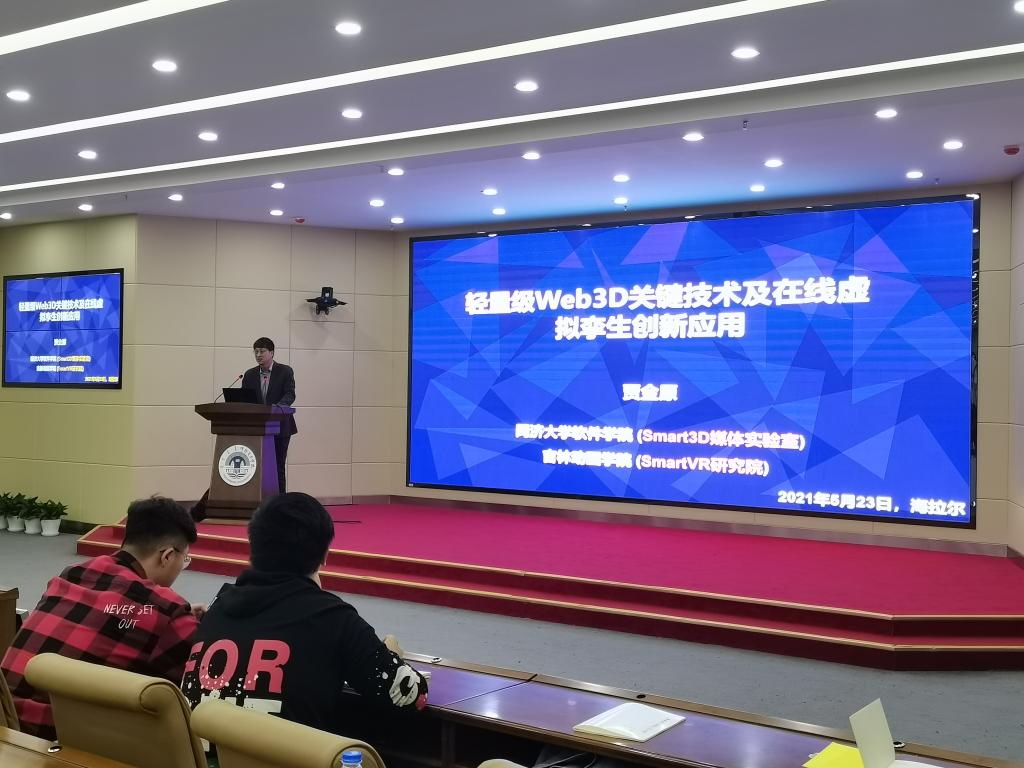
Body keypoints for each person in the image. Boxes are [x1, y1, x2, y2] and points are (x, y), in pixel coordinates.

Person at [180, 492, 427, 734]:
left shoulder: (217, 608)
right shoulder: (333, 617)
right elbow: (411, 696)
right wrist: (390, 653)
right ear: (324, 555)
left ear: (253, 548)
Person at [2, 496, 203, 740]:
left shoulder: (72, 574)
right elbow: (198, 683)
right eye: (185, 560)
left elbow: (109, 612)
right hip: (52, 744)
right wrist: (182, 619)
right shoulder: (167, 610)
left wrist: (176, 617)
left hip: (5, 719)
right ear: (167, 556)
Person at [242, 337, 297, 493]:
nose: (258, 355)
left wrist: (276, 408)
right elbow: (245, 399)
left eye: (262, 351)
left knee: (278, 466)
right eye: (256, 351)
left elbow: (290, 394)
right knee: (257, 466)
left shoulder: (285, 371)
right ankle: (259, 500)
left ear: (271, 353)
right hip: (257, 428)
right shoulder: (249, 375)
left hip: (280, 426)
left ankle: (280, 503)